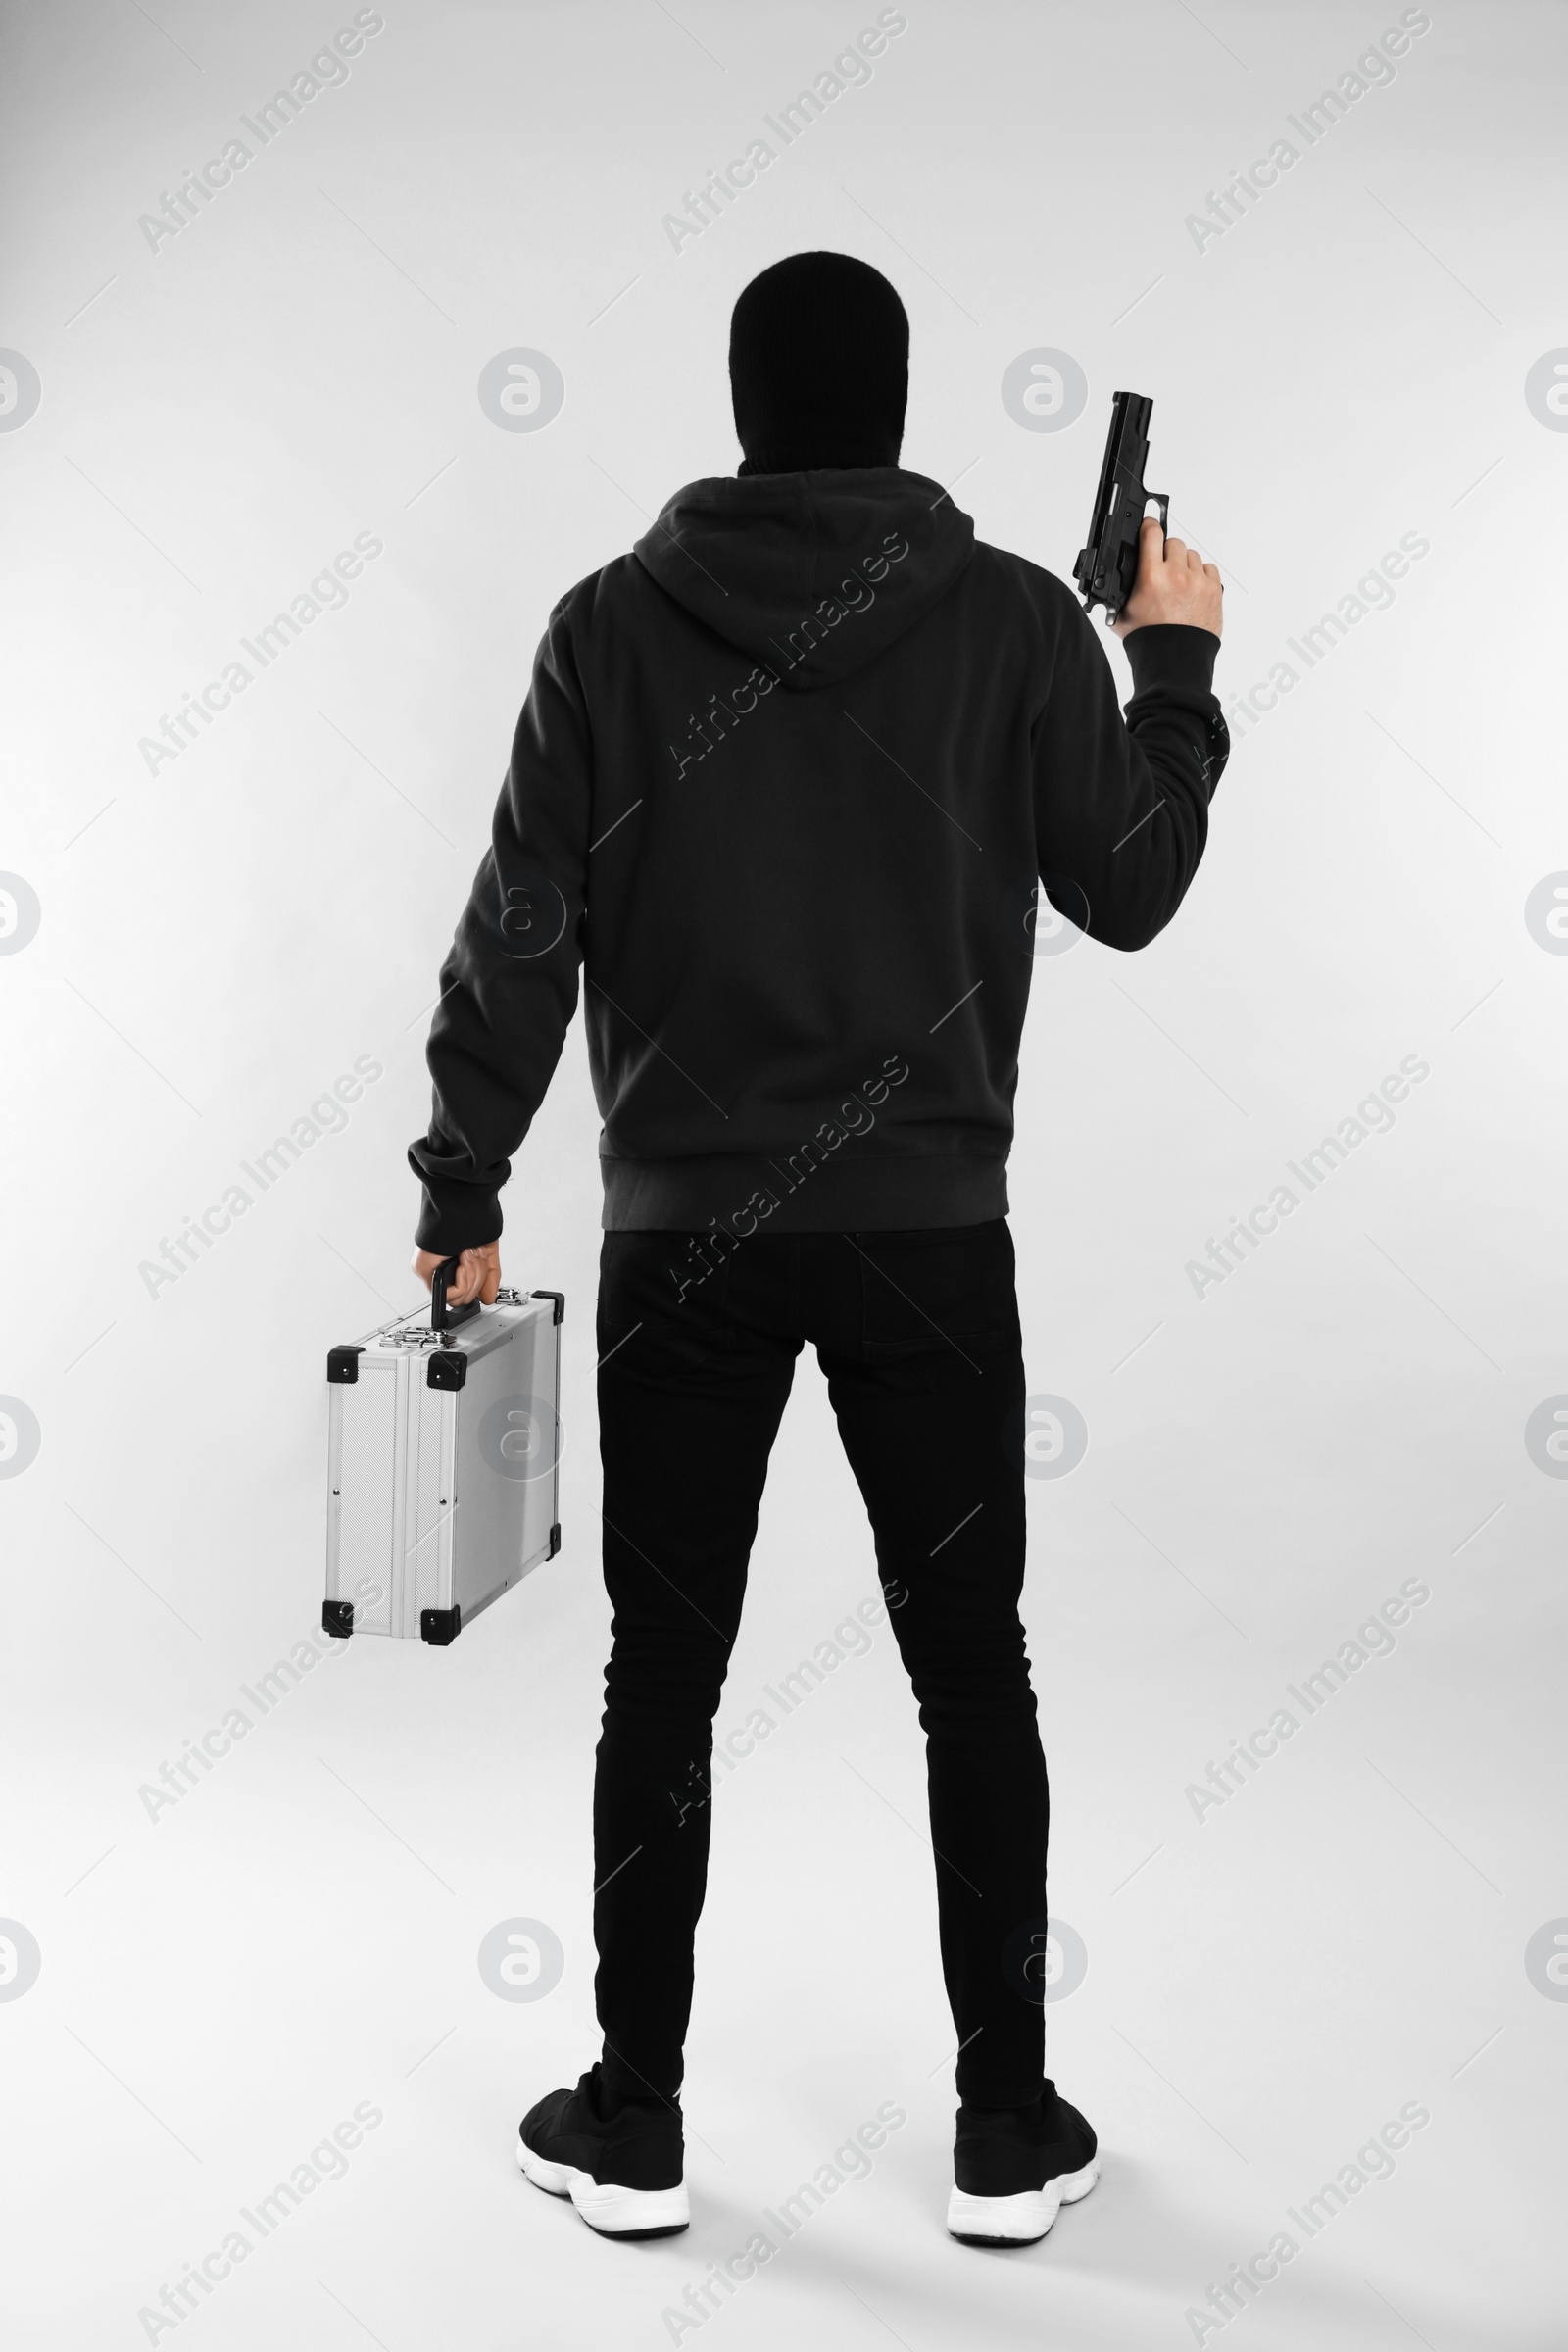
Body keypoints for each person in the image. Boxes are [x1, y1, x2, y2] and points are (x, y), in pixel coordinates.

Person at [408, 250, 1226, 2246]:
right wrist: (1173, 666)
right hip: (925, 1240)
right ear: (896, 405)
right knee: (974, 1679)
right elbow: (1126, 884)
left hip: (681, 1236)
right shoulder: (1019, 624)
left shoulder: (607, 629)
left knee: (659, 1679)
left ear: (740, 404)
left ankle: (632, 2121)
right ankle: (1002, 2132)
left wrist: (461, 1187)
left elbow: (525, 930)